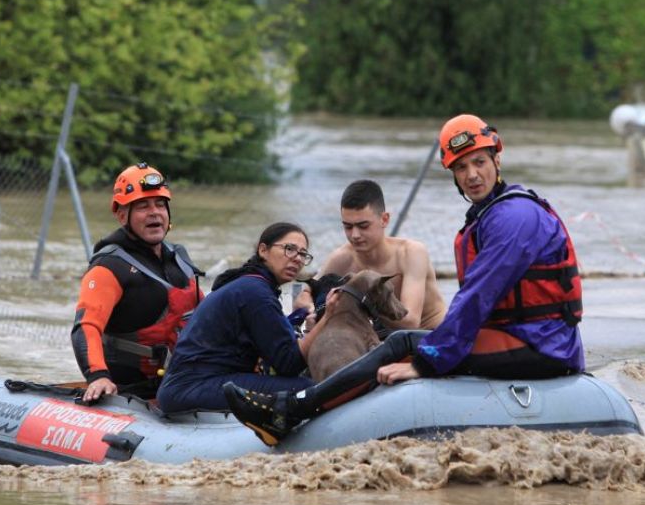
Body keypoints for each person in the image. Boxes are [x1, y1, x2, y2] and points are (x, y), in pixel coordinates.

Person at [224, 114, 585, 445]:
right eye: (461, 167)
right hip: (528, 338)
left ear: (497, 160)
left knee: (403, 344)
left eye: (479, 162)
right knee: (406, 343)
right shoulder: (491, 213)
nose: (472, 174)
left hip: (541, 346)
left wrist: (425, 362)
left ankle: (291, 410)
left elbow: (476, 298)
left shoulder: (513, 217)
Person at [156, 222, 340, 415]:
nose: (297, 259)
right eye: (289, 249)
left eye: (303, 254)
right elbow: (289, 363)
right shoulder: (256, 292)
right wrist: (328, 316)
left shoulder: (249, 284)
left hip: (187, 385)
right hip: (192, 388)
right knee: (304, 389)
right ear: (263, 250)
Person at [72, 162, 204, 402]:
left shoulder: (180, 257)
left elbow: (208, 316)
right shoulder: (108, 267)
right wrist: (97, 376)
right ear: (122, 215)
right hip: (131, 391)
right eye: (143, 206)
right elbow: (86, 327)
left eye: (160, 205)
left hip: (182, 381)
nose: (154, 212)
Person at [293, 179, 445, 333]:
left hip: (432, 336)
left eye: (363, 226)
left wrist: (359, 298)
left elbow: (411, 323)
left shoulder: (412, 253)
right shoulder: (342, 257)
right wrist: (307, 301)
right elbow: (306, 290)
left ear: (384, 219)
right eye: (348, 226)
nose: (355, 235)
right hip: (383, 339)